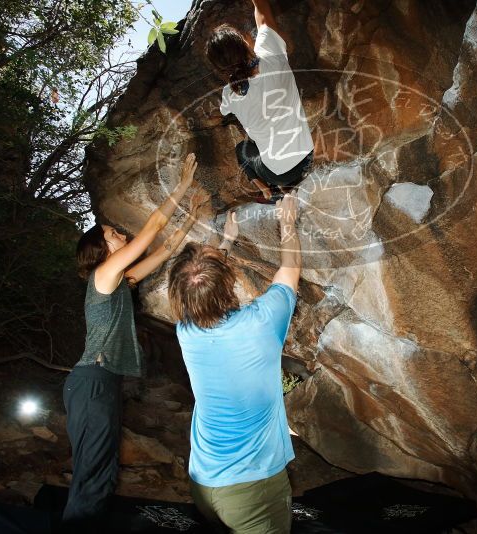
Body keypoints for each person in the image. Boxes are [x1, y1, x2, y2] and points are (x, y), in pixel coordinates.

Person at [63, 153, 204, 529]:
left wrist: (191, 215)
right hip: (91, 381)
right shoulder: (103, 274)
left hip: (104, 382)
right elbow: (150, 230)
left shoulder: (119, 282)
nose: (120, 235)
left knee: (105, 469)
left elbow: (163, 251)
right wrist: (182, 185)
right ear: (100, 249)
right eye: (113, 235)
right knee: (92, 473)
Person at [168, 194, 302, 533]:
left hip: (203, 482)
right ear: (227, 284)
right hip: (251, 491)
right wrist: (287, 220)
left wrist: (225, 241)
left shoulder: (187, 331)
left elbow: (199, 284)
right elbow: (291, 269)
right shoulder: (262, 322)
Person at [206, 0, 314, 203]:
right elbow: (263, 15)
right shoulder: (272, 56)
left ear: (220, 67)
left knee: (242, 150)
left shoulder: (230, 94)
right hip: (307, 156)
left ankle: (269, 191)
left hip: (279, 173)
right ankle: (276, 188)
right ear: (245, 42)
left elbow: (222, 110)